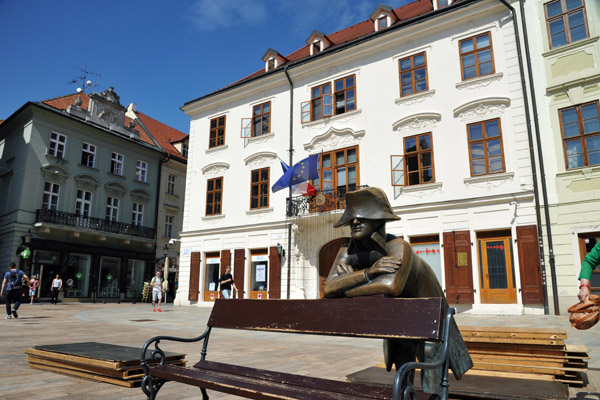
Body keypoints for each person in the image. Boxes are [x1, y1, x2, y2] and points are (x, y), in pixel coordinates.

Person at [323, 187, 472, 396]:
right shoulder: (347, 250)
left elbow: (390, 286)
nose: (355, 222)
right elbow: (328, 288)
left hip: (429, 316)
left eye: (363, 217)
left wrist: (346, 286)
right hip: (401, 320)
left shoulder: (399, 247)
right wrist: (369, 273)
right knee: (402, 366)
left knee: (431, 376)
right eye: (352, 218)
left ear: (379, 221)